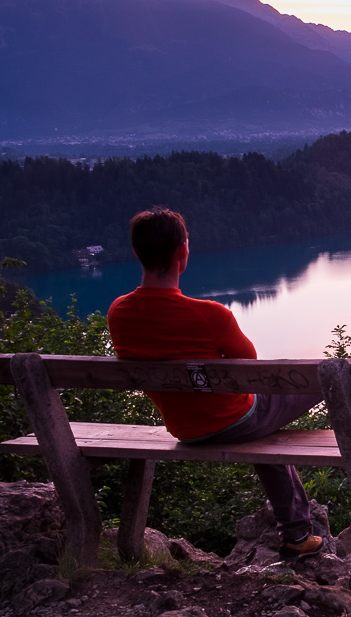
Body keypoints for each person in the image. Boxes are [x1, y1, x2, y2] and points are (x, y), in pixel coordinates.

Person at [107, 207, 324, 562]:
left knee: (265, 433)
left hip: (184, 428)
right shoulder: (210, 315)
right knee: (325, 378)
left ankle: (296, 534)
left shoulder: (119, 312)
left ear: (136, 253)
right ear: (183, 252)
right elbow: (251, 368)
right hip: (235, 420)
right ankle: (297, 534)